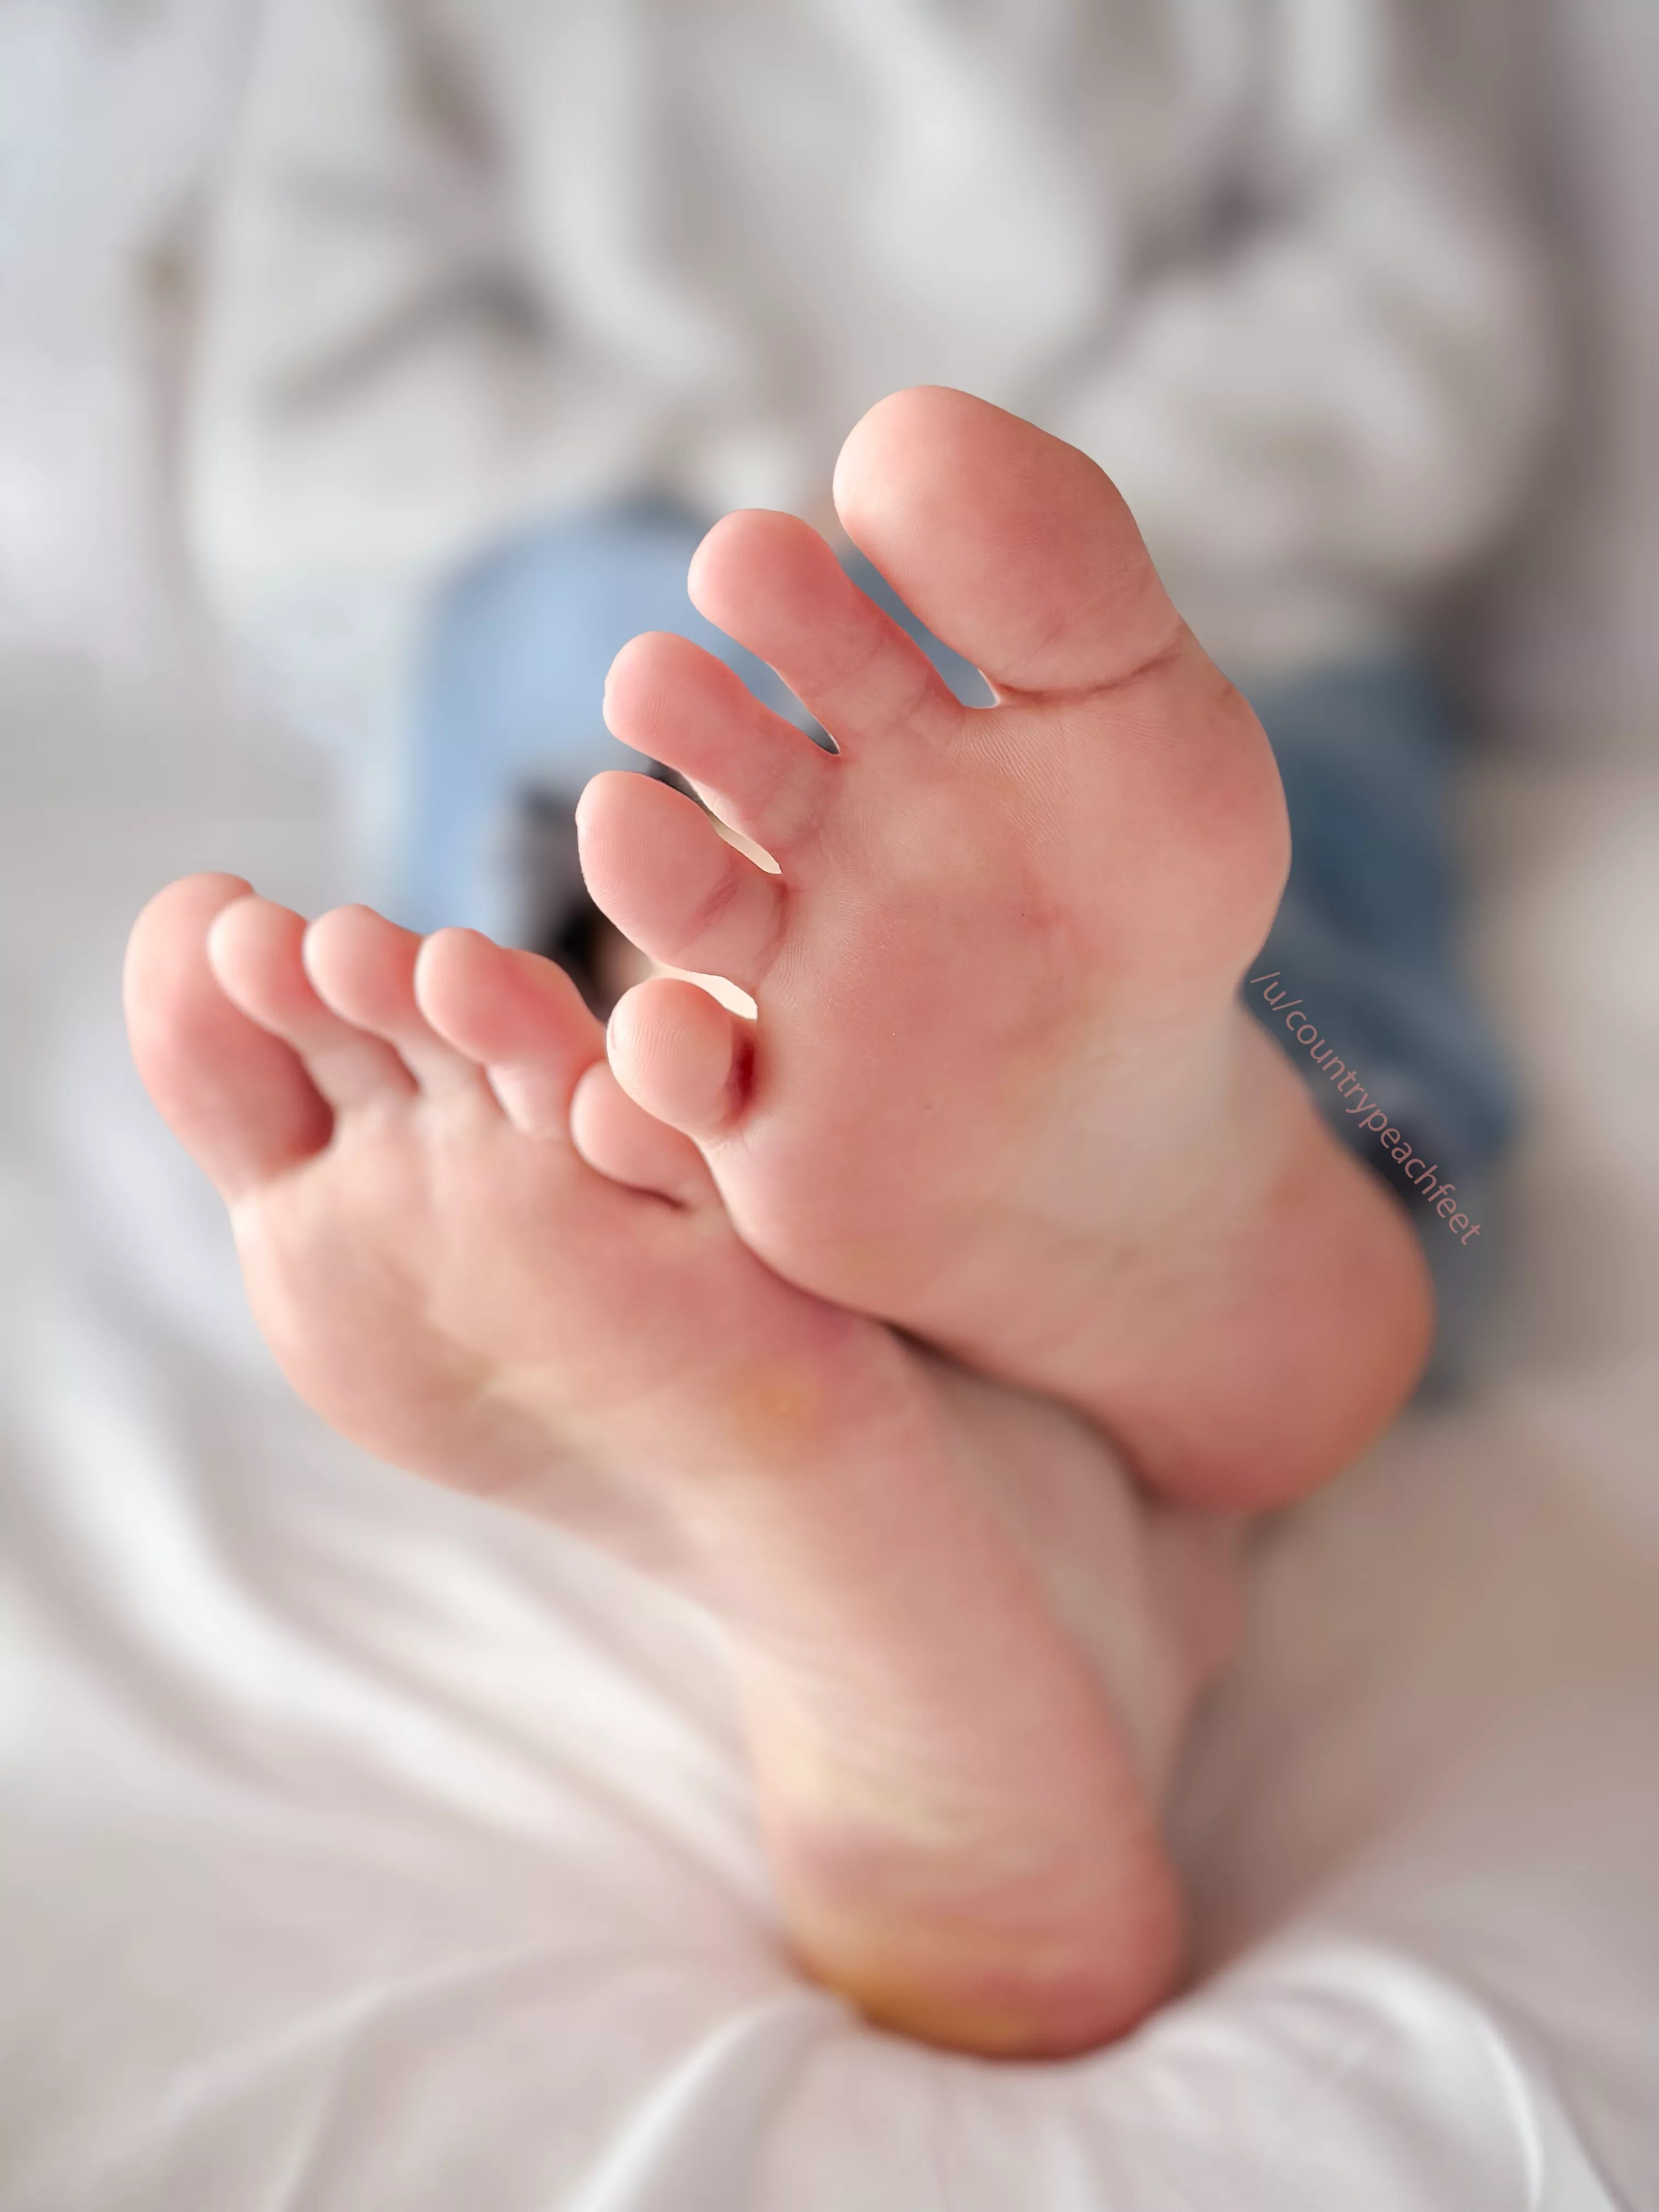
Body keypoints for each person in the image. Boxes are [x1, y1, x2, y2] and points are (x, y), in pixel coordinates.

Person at [127, 386, 1435, 2059]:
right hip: (653, 560)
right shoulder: (437, 117)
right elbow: (313, 432)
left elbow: (1433, 363)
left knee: (686, 834)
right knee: (659, 715)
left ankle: (728, 1127)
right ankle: (1129, 1360)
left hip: (1154, 605)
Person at [187, 0, 1550, 1353]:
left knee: (1227, 836)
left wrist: (1022, 542)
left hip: (1202, 604)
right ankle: (1083, 1204)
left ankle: (1086, 1178)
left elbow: (1434, 331)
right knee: (588, 675)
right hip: (644, 581)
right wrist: (797, 529)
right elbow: (311, 441)